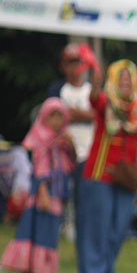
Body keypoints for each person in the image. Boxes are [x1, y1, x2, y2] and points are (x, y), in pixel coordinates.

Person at [76, 58, 137, 273]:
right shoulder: (106, 103)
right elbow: (94, 100)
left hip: (126, 178)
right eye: (121, 80)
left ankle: (107, 272)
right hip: (100, 174)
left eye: (129, 80)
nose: (125, 84)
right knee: (96, 229)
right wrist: (96, 84)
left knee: (119, 228)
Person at [0, 98, 76, 273]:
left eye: (60, 116)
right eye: (53, 116)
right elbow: (40, 166)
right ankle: (32, 270)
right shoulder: (40, 137)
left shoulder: (63, 141)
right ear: (44, 117)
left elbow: (70, 164)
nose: (57, 121)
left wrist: (71, 145)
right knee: (36, 228)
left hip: (57, 192)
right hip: (43, 191)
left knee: (49, 229)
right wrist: (42, 191)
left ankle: (42, 270)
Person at [47, 43, 96, 241]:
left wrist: (74, 114)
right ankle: (56, 228)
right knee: (59, 191)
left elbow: (97, 115)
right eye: (70, 63)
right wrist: (81, 115)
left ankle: (78, 230)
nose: (74, 68)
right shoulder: (57, 89)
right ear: (62, 65)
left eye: (78, 62)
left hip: (86, 151)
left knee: (83, 194)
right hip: (61, 151)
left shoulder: (90, 90)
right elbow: (51, 117)